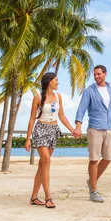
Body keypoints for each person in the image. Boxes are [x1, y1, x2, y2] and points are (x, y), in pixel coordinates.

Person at [25, 72, 78, 208]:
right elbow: (32, 119)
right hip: (41, 130)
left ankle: (33, 197)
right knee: (47, 161)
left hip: (53, 131)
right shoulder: (37, 98)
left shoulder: (58, 97)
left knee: (42, 165)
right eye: (56, 80)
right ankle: (48, 197)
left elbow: (62, 116)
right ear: (49, 82)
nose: (58, 83)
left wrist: (72, 130)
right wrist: (28, 139)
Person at [73, 65, 111, 203]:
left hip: (109, 128)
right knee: (94, 159)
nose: (96, 76)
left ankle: (91, 181)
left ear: (105, 74)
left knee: (108, 158)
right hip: (95, 128)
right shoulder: (89, 91)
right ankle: (94, 190)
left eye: (99, 74)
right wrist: (78, 126)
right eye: (94, 74)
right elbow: (81, 109)